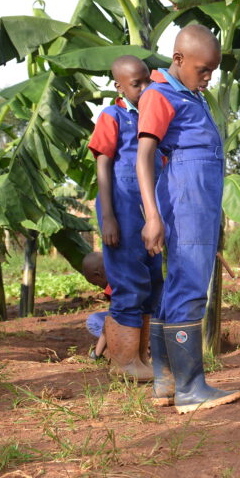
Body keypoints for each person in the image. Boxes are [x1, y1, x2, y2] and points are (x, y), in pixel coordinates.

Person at [136, 24, 240, 414]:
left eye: (213, 70)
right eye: (203, 70)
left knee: (176, 290)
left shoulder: (189, 94)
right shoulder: (160, 93)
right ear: (178, 60)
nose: (209, 77)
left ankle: (167, 383)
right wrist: (152, 216)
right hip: (186, 202)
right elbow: (144, 156)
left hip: (196, 203)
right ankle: (191, 388)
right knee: (191, 291)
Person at [87, 56, 163, 380]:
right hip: (121, 207)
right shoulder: (112, 115)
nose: (144, 88)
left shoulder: (153, 116)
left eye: (146, 81)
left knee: (151, 282)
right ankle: (123, 362)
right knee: (129, 283)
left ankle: (141, 359)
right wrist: (108, 217)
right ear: (118, 86)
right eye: (135, 84)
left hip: (148, 211)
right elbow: (103, 166)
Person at [81, 251, 110, 359]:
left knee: (93, 321)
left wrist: (96, 354)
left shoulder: (113, 286)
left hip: (137, 323)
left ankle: (116, 344)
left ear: (98, 274)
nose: (99, 286)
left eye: (95, 283)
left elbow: (111, 321)